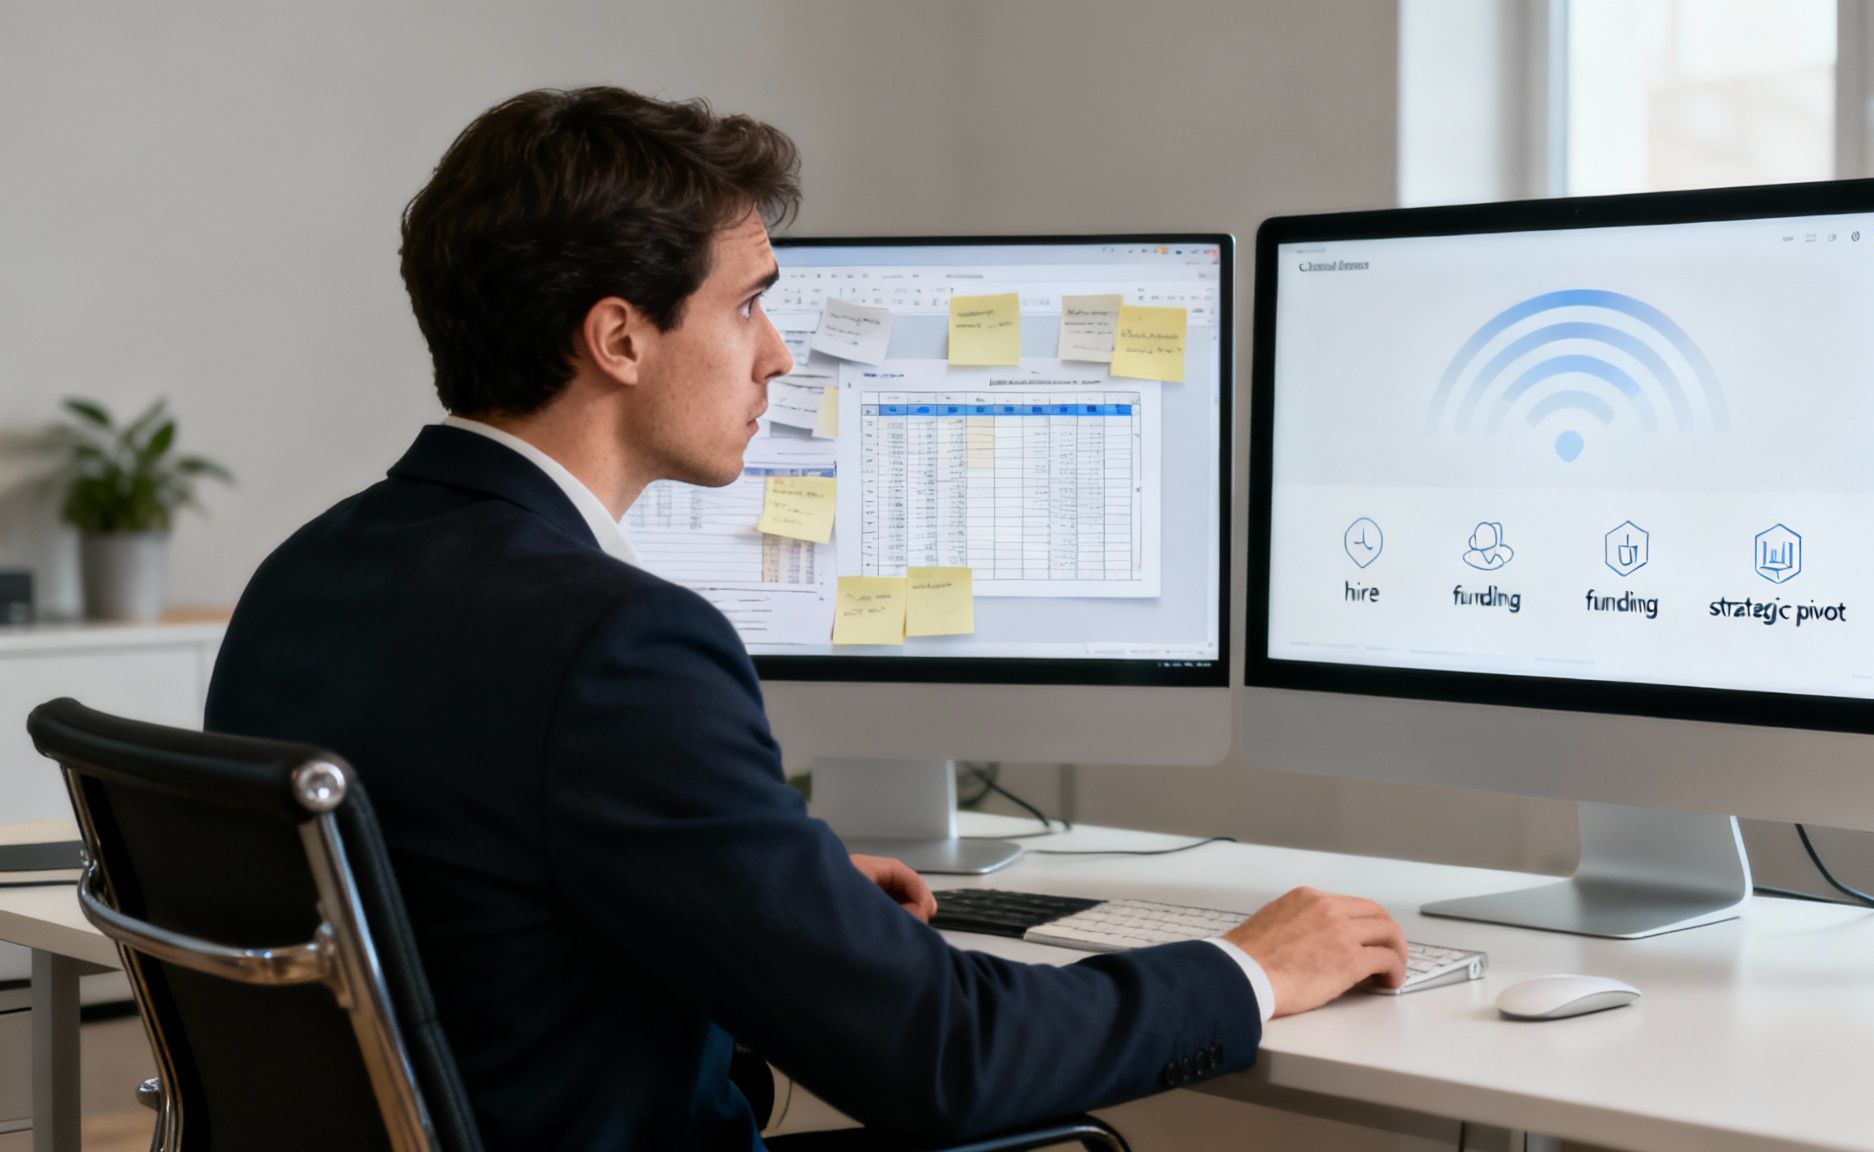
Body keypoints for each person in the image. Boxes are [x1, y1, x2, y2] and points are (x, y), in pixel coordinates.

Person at [206, 86, 1409, 1152]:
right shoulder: (617, 643)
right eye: (747, 306)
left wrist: (759, 880)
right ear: (619, 336)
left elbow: (467, 876)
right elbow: (948, 1060)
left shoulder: (306, 576)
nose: (778, 355)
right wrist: (1250, 968)